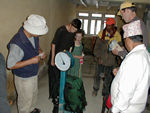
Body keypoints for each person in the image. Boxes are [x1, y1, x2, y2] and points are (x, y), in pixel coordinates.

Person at [7, 14, 48, 113]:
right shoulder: (17, 44)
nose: (40, 35)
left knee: (33, 95)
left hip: (33, 72)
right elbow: (10, 65)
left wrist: (40, 52)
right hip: (23, 77)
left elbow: (35, 46)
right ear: (32, 29)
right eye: (39, 33)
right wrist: (31, 61)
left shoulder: (32, 35)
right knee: (25, 101)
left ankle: (31, 110)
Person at [111, 20, 150, 113]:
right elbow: (136, 77)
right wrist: (121, 72)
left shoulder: (134, 59)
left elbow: (126, 92)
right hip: (134, 106)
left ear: (128, 39)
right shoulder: (144, 54)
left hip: (125, 109)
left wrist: (114, 110)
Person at [48, 18, 81, 113]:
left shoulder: (73, 32)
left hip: (64, 58)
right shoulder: (61, 30)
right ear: (70, 24)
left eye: (76, 30)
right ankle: (55, 98)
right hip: (56, 58)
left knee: (62, 78)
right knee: (54, 79)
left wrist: (69, 57)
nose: (74, 31)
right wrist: (53, 59)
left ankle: (61, 96)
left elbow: (70, 45)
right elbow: (53, 44)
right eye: (73, 29)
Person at [92, 18, 121, 97]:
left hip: (111, 61)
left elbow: (120, 49)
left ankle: (105, 92)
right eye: (106, 25)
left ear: (113, 26)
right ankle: (95, 89)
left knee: (108, 78)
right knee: (97, 76)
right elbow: (96, 48)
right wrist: (98, 58)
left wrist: (118, 58)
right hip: (101, 60)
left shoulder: (117, 35)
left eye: (109, 25)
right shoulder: (101, 34)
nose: (107, 27)